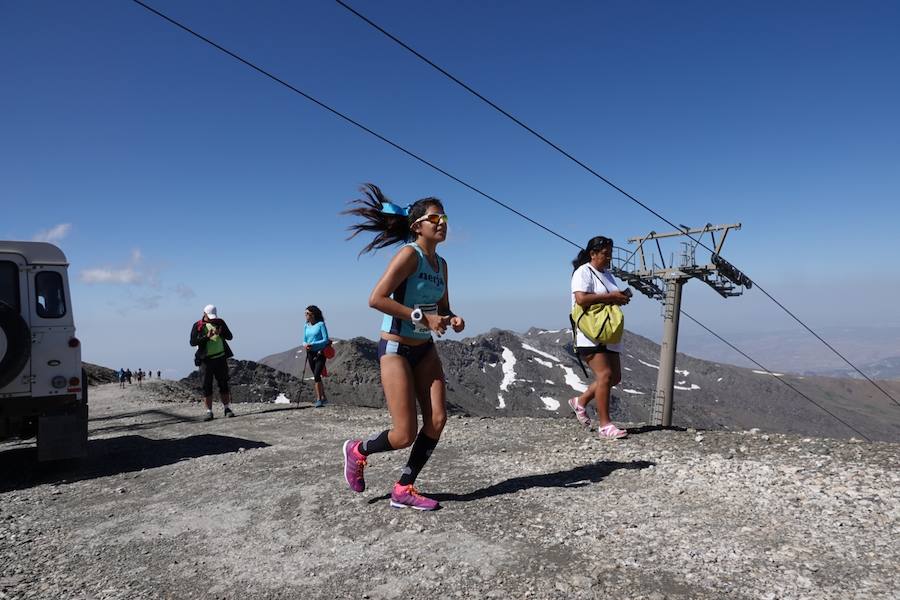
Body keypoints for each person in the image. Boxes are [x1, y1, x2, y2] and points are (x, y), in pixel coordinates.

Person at [340, 184, 465, 511]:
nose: (442, 223)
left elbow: (444, 306)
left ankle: (404, 487)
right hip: (395, 348)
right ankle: (358, 450)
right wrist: (423, 318)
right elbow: (376, 299)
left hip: (424, 349)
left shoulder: (442, 265)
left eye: (444, 217)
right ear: (417, 226)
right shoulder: (409, 255)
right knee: (404, 433)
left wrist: (452, 319)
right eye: (434, 217)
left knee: (438, 419)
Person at [568, 236, 631, 439]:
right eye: (605, 254)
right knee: (604, 376)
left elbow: (606, 298)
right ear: (593, 254)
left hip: (607, 330)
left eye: (610, 254)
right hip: (590, 333)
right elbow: (581, 299)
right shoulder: (583, 272)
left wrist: (619, 298)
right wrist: (612, 297)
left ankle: (580, 401)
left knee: (615, 377)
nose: (609, 258)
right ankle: (605, 425)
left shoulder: (607, 274)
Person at [189, 304, 235, 421]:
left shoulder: (220, 322)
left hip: (220, 358)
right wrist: (206, 337)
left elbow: (230, 337)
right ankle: (209, 412)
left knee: (223, 383)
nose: (211, 319)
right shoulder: (198, 326)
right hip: (206, 361)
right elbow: (193, 342)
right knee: (207, 386)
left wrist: (221, 333)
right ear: (204, 314)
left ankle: (227, 409)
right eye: (209, 316)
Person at [303, 305, 331, 408]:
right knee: (317, 376)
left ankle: (319, 399)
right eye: (305, 314)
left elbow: (325, 339)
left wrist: (313, 344)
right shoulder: (306, 326)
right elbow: (304, 339)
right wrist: (305, 345)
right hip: (310, 353)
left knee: (316, 374)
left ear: (313, 315)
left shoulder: (320, 325)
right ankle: (324, 398)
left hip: (321, 352)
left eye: (307, 314)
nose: (305, 316)